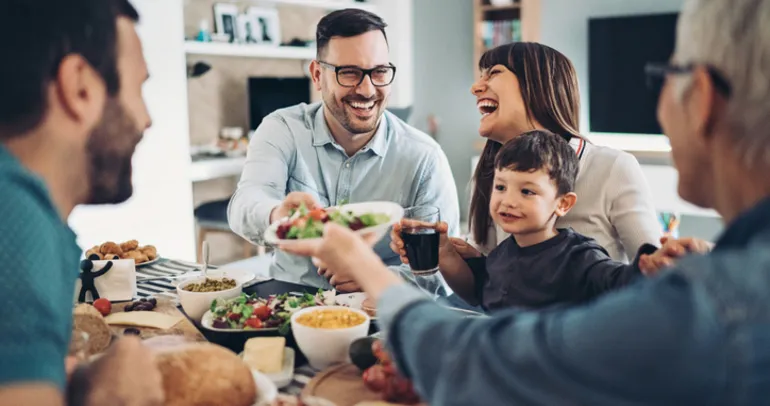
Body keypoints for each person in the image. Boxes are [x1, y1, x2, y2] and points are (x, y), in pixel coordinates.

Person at [281, 0, 770, 403]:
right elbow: (496, 284)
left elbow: (643, 269)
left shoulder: (705, 302)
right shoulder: (492, 171)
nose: (475, 87)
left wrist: (361, 262)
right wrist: (454, 255)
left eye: (666, 73)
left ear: (702, 97)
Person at [0, 0, 163, 405]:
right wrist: (113, 397)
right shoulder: (15, 223)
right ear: (80, 87)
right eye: (138, 87)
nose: (147, 118)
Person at [228, 8, 460, 290]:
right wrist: (279, 215)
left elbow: (440, 271)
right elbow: (245, 204)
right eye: (349, 73)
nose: (366, 89)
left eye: (379, 72)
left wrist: (374, 278)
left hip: (379, 314)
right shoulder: (282, 129)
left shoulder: (425, 158)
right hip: (290, 302)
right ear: (317, 74)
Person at [431, 130, 659, 311]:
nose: (508, 201)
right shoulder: (502, 254)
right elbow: (480, 290)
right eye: (501, 187)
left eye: (527, 192)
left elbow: (620, 281)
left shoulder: (579, 256)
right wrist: (447, 252)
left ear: (563, 204)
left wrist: (649, 263)